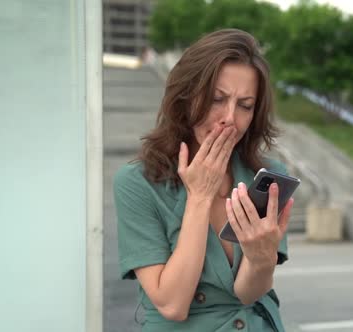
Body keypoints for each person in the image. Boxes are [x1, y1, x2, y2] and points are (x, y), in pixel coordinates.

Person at [113, 29, 295, 332]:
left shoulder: (266, 176)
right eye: (216, 99)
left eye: (245, 105)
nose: (228, 117)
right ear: (185, 97)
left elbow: (248, 293)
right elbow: (172, 304)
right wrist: (199, 197)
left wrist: (261, 260)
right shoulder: (137, 183)